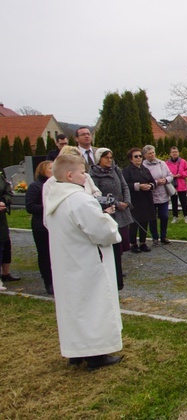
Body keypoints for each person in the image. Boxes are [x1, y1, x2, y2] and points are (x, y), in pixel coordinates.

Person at [45, 154, 124, 369]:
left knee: (73, 307)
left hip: (67, 264)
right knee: (93, 304)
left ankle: (76, 351)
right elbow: (103, 232)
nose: (85, 175)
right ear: (69, 175)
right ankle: (96, 353)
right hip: (87, 264)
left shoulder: (54, 198)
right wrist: (107, 217)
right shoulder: (78, 199)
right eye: (82, 172)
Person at [90, 148, 133, 290]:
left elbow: (124, 186)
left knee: (122, 240)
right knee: (112, 241)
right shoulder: (94, 174)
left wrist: (126, 201)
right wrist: (115, 203)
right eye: (106, 157)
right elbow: (97, 194)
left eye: (111, 157)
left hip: (122, 210)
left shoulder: (116, 170)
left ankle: (118, 268)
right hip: (109, 211)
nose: (109, 160)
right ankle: (111, 269)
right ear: (99, 159)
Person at [25, 160, 54, 294]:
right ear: (42, 170)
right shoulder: (35, 186)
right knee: (45, 254)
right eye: (50, 168)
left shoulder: (56, 185)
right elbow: (30, 206)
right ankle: (48, 282)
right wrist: (49, 208)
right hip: (41, 226)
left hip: (55, 225)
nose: (53, 170)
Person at [121, 148, 156, 253]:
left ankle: (143, 242)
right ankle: (133, 243)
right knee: (134, 222)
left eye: (140, 156)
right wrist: (139, 186)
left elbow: (153, 181)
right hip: (135, 199)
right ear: (130, 159)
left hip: (146, 198)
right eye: (136, 156)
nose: (139, 158)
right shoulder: (127, 171)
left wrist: (150, 185)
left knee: (145, 220)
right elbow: (125, 185)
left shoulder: (145, 169)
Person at [142, 145, 173, 245]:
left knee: (164, 216)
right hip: (150, 195)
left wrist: (165, 180)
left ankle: (163, 236)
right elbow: (143, 180)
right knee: (152, 218)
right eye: (149, 153)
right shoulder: (143, 166)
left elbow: (170, 175)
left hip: (163, 194)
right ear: (145, 155)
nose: (152, 155)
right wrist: (156, 182)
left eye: (153, 152)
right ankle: (155, 237)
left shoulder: (162, 163)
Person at [0, 168, 19, 283]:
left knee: (5, 242)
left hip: (1, 217)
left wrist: (4, 200)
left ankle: (6, 273)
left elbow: (8, 191)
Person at [166, 146, 187, 224]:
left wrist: (181, 174)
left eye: (176, 152)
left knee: (183, 201)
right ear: (170, 153)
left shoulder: (183, 161)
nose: (174, 153)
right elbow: (165, 173)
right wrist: (171, 176)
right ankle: (175, 216)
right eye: (173, 152)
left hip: (181, 185)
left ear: (178, 153)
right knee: (173, 202)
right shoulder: (167, 163)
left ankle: (186, 216)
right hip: (172, 185)